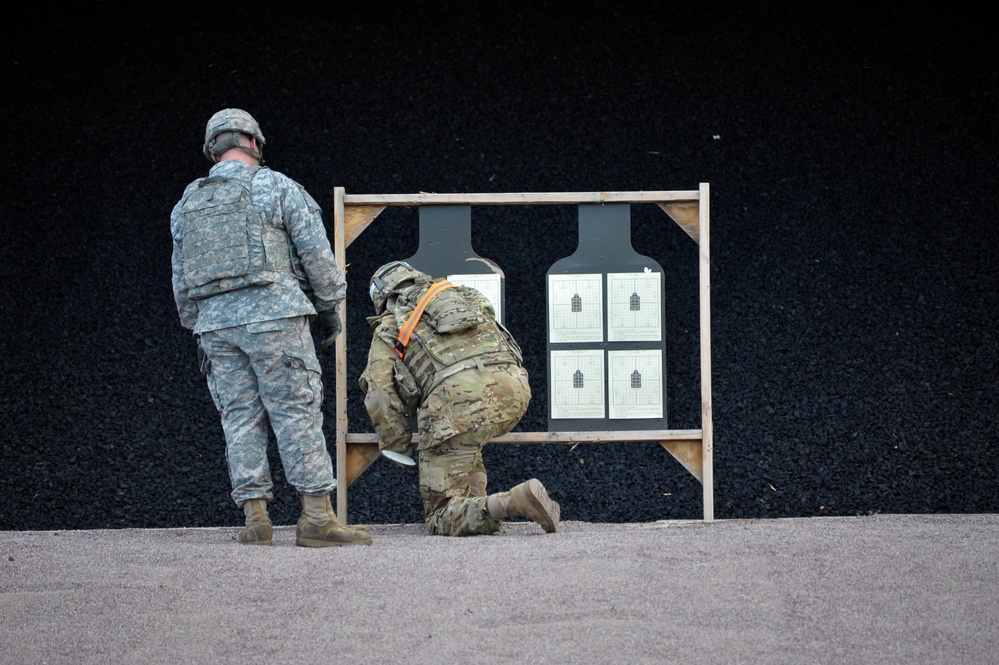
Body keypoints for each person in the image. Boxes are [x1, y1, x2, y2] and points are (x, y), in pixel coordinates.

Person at [170, 108, 371, 547]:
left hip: (215, 328)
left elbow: (181, 282)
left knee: (239, 417)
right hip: (274, 318)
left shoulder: (186, 203)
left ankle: (256, 520)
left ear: (212, 150)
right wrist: (329, 305)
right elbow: (318, 258)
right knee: (295, 410)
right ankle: (316, 518)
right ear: (255, 143)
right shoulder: (276, 186)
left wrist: (201, 324)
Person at [359, 260, 560, 536]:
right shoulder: (465, 295)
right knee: (465, 441)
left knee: (440, 514)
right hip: (515, 390)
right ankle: (479, 511)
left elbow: (380, 393)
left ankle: (514, 501)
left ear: (381, 296)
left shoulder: (391, 325)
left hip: (457, 406)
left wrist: (397, 443)